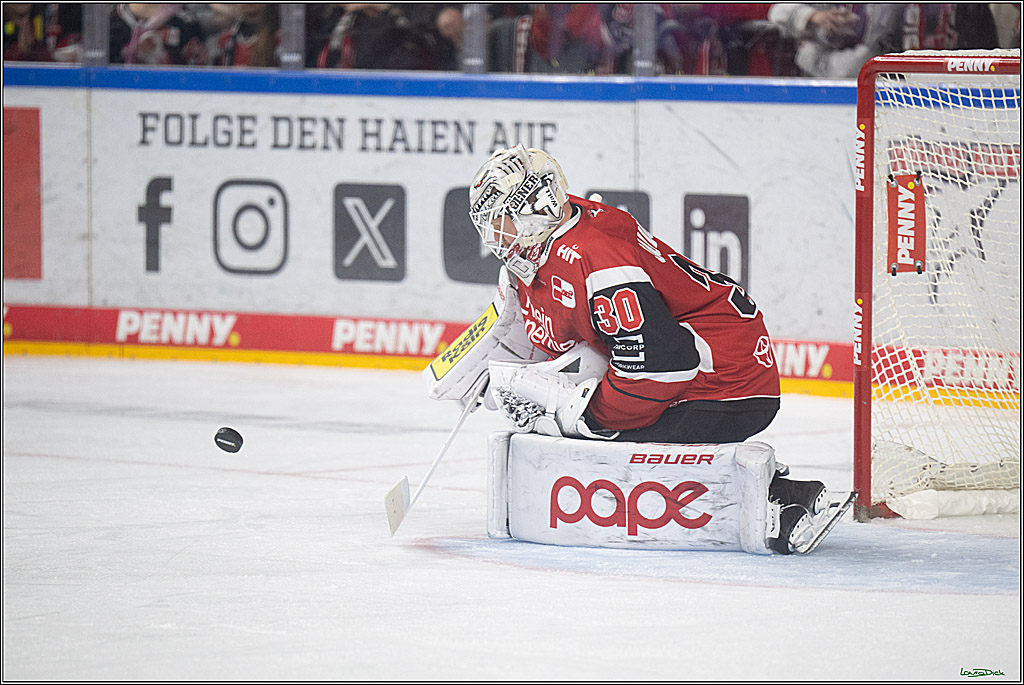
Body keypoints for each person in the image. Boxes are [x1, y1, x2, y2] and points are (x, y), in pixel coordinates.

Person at [461, 144, 853, 554]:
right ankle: (786, 491)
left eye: (501, 220)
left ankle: (771, 501)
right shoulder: (550, 235)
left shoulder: (596, 257)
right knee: (579, 430)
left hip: (725, 376)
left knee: (596, 444)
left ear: (534, 208)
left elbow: (664, 364)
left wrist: (587, 418)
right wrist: (501, 368)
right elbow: (569, 328)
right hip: (697, 360)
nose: (493, 237)